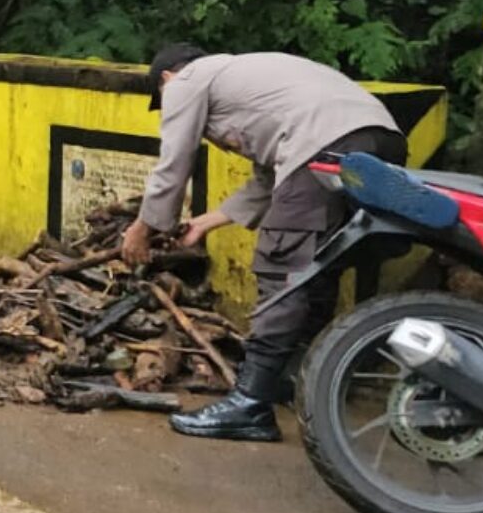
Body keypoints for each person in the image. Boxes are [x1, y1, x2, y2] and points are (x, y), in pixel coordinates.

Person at [122, 43, 405, 442]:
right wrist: (207, 222)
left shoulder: (186, 82)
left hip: (324, 145)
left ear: (166, 79)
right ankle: (299, 380)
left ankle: (250, 404)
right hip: (381, 140)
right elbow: (269, 179)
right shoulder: (251, 81)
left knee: (281, 265)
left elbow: (174, 162)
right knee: (317, 265)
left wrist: (144, 227)